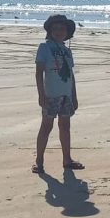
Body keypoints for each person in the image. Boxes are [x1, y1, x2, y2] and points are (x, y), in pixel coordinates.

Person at [33, 14, 83, 173]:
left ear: (67, 32)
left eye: (62, 29)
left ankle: (67, 159)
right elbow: (39, 72)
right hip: (51, 95)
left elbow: (71, 75)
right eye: (55, 29)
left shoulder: (67, 51)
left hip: (66, 95)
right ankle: (39, 161)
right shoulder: (45, 47)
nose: (59, 31)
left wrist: (74, 96)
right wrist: (41, 94)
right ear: (50, 31)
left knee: (65, 126)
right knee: (46, 126)